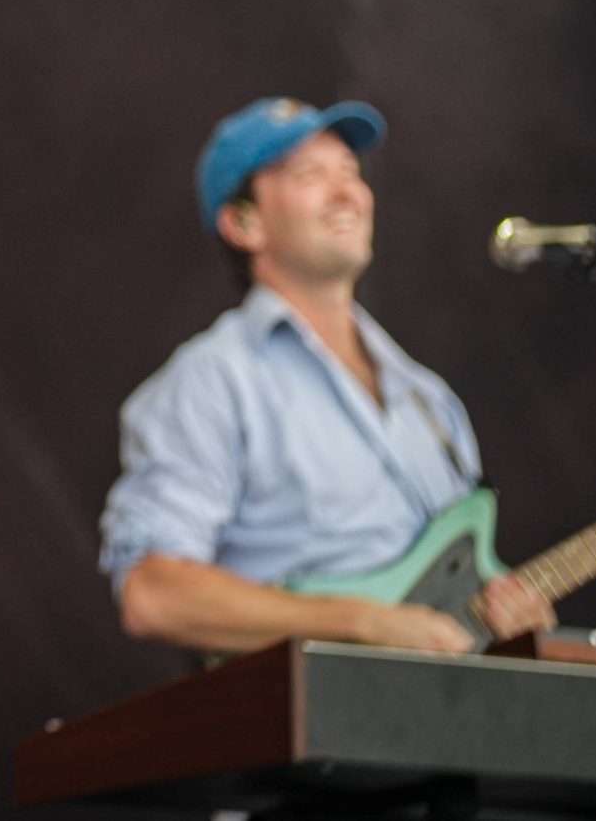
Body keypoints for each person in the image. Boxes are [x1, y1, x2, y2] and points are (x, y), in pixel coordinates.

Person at [97, 96, 555, 656]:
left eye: (352, 173)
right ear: (244, 223)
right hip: (314, 726)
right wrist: (359, 622)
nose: (347, 193)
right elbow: (154, 596)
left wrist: (515, 621)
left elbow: (464, 606)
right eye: (310, 175)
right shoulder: (214, 379)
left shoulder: (429, 399)